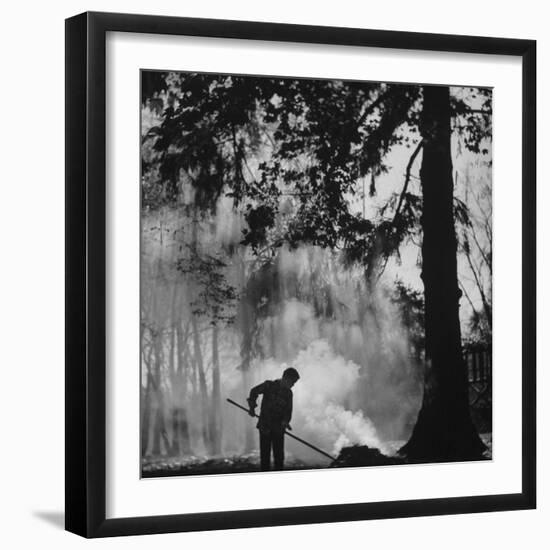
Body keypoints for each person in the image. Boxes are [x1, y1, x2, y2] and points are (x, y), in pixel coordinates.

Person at [247, 367, 300, 471]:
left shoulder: (288, 394)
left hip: (278, 430)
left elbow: (288, 411)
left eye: (294, 383)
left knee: (279, 458)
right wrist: (252, 407)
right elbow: (254, 392)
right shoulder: (268, 386)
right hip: (265, 427)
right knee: (265, 458)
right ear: (285, 378)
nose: (293, 385)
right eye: (292, 382)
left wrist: (285, 422)